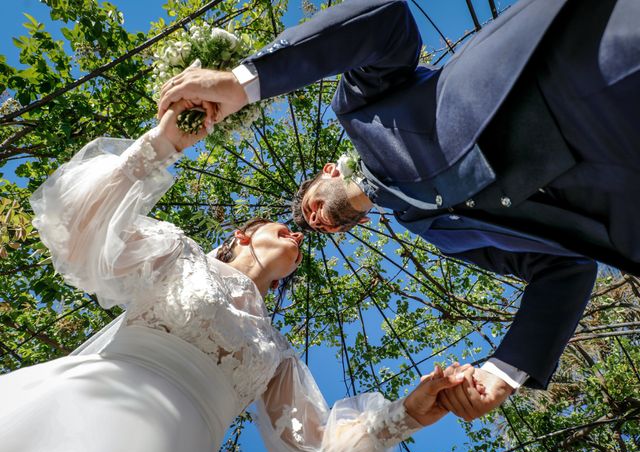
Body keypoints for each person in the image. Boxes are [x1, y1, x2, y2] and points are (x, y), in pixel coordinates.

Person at [157, 0, 640, 421]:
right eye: (316, 229)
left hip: (587, 71)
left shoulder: (361, 111)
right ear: (357, 226)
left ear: (329, 170)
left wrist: (243, 84)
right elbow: (565, 268)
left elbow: (387, 21)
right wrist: (505, 371)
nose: (312, 222)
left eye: (308, 208)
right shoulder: (438, 231)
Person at [0, 98, 472, 452]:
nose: (299, 235)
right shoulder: (174, 255)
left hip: (184, 448)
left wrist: (407, 413)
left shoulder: (276, 354)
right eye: (278, 228)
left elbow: (317, 448)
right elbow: (81, 229)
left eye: (303, 243)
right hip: (95, 399)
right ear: (242, 235)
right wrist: (161, 145)